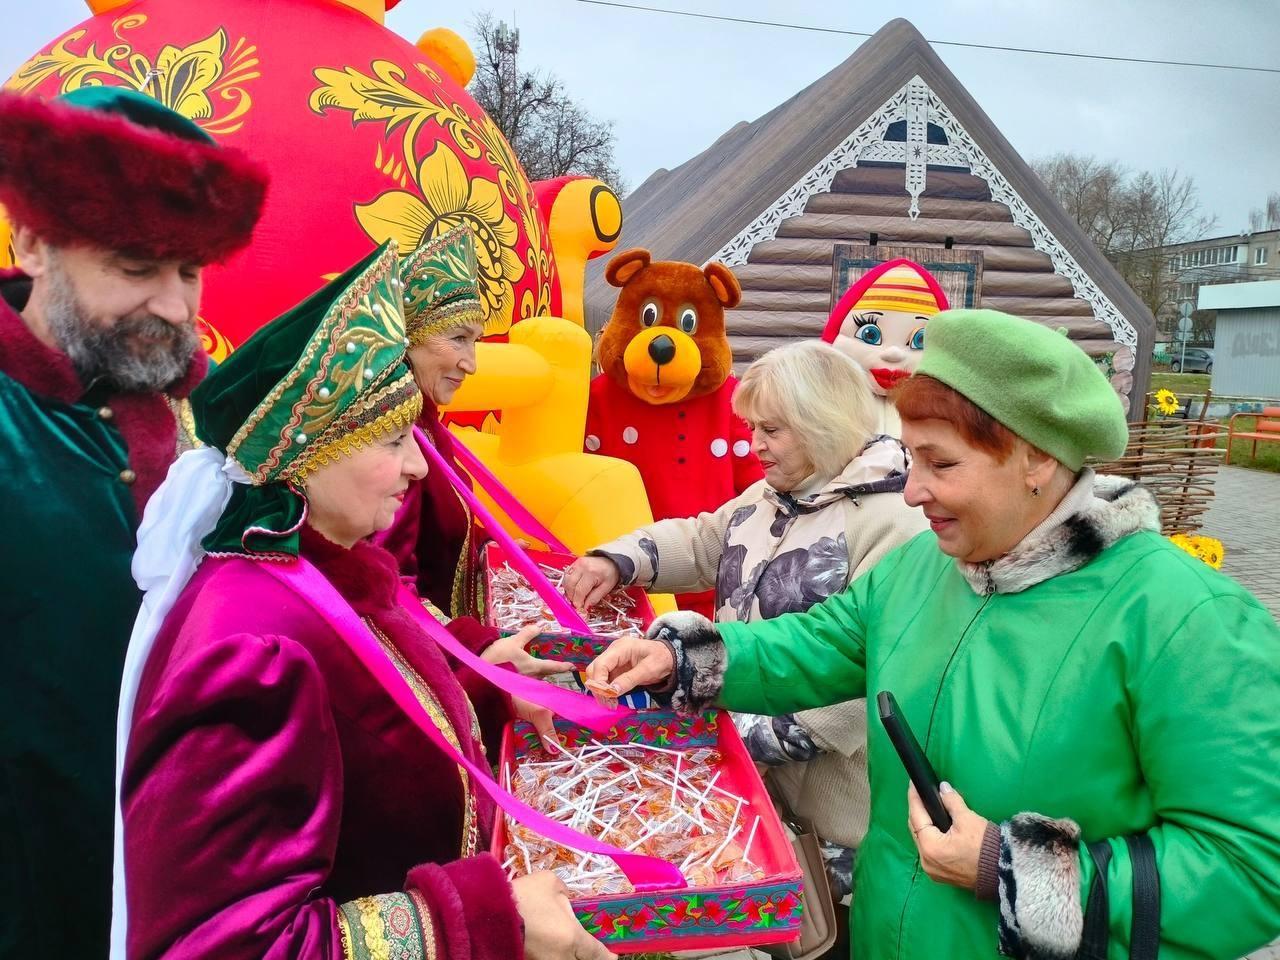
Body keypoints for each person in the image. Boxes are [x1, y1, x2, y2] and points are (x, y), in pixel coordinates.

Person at [585, 310, 1280, 960]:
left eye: (942, 465)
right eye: (912, 459)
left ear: (1036, 459)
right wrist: (681, 658)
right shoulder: (925, 567)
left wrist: (1012, 870)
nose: (912, 492)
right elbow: (819, 644)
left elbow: (1251, 866)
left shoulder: (1185, 618)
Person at [114, 241, 608, 960]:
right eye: (388, 439)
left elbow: (370, 723)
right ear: (303, 459)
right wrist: (478, 920)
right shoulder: (252, 648)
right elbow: (222, 946)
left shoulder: (321, 575)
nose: (415, 463)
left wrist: (487, 693)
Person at [0, 87, 267, 956]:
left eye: (188, 271)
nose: (177, 308)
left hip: (186, 886)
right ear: (34, 243)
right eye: (135, 266)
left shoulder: (197, 418)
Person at [564, 341, 927, 908]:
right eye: (753, 426)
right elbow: (704, 540)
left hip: (834, 824)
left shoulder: (897, 521)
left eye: (772, 429)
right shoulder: (773, 493)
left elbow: (863, 682)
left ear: (822, 424)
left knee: (822, 937)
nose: (753, 444)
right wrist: (617, 558)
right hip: (754, 791)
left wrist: (707, 730)